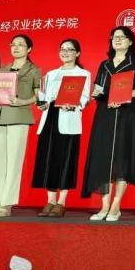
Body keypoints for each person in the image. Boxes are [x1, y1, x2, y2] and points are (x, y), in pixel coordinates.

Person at [82, 26, 135, 222]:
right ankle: (104, 206)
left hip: (127, 113)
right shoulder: (104, 64)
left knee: (122, 157)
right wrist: (95, 93)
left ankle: (115, 205)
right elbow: (98, 88)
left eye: (122, 37)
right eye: (114, 37)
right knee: (103, 158)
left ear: (130, 42)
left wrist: (124, 96)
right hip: (105, 113)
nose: (117, 40)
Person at [0, 34, 41, 218]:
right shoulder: (3, 69)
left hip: (19, 115)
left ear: (29, 49)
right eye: (13, 44)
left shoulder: (34, 70)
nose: (16, 47)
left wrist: (23, 102)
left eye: (21, 45)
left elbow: (39, 95)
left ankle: (6, 203)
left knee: (14, 162)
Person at [32, 39, 91, 218]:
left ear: (77, 53)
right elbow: (44, 96)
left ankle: (61, 202)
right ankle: (50, 200)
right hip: (49, 118)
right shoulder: (51, 74)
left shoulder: (83, 73)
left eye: (69, 49)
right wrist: (41, 103)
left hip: (68, 118)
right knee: (49, 158)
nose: (65, 52)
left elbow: (85, 98)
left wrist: (74, 104)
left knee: (66, 160)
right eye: (62, 49)